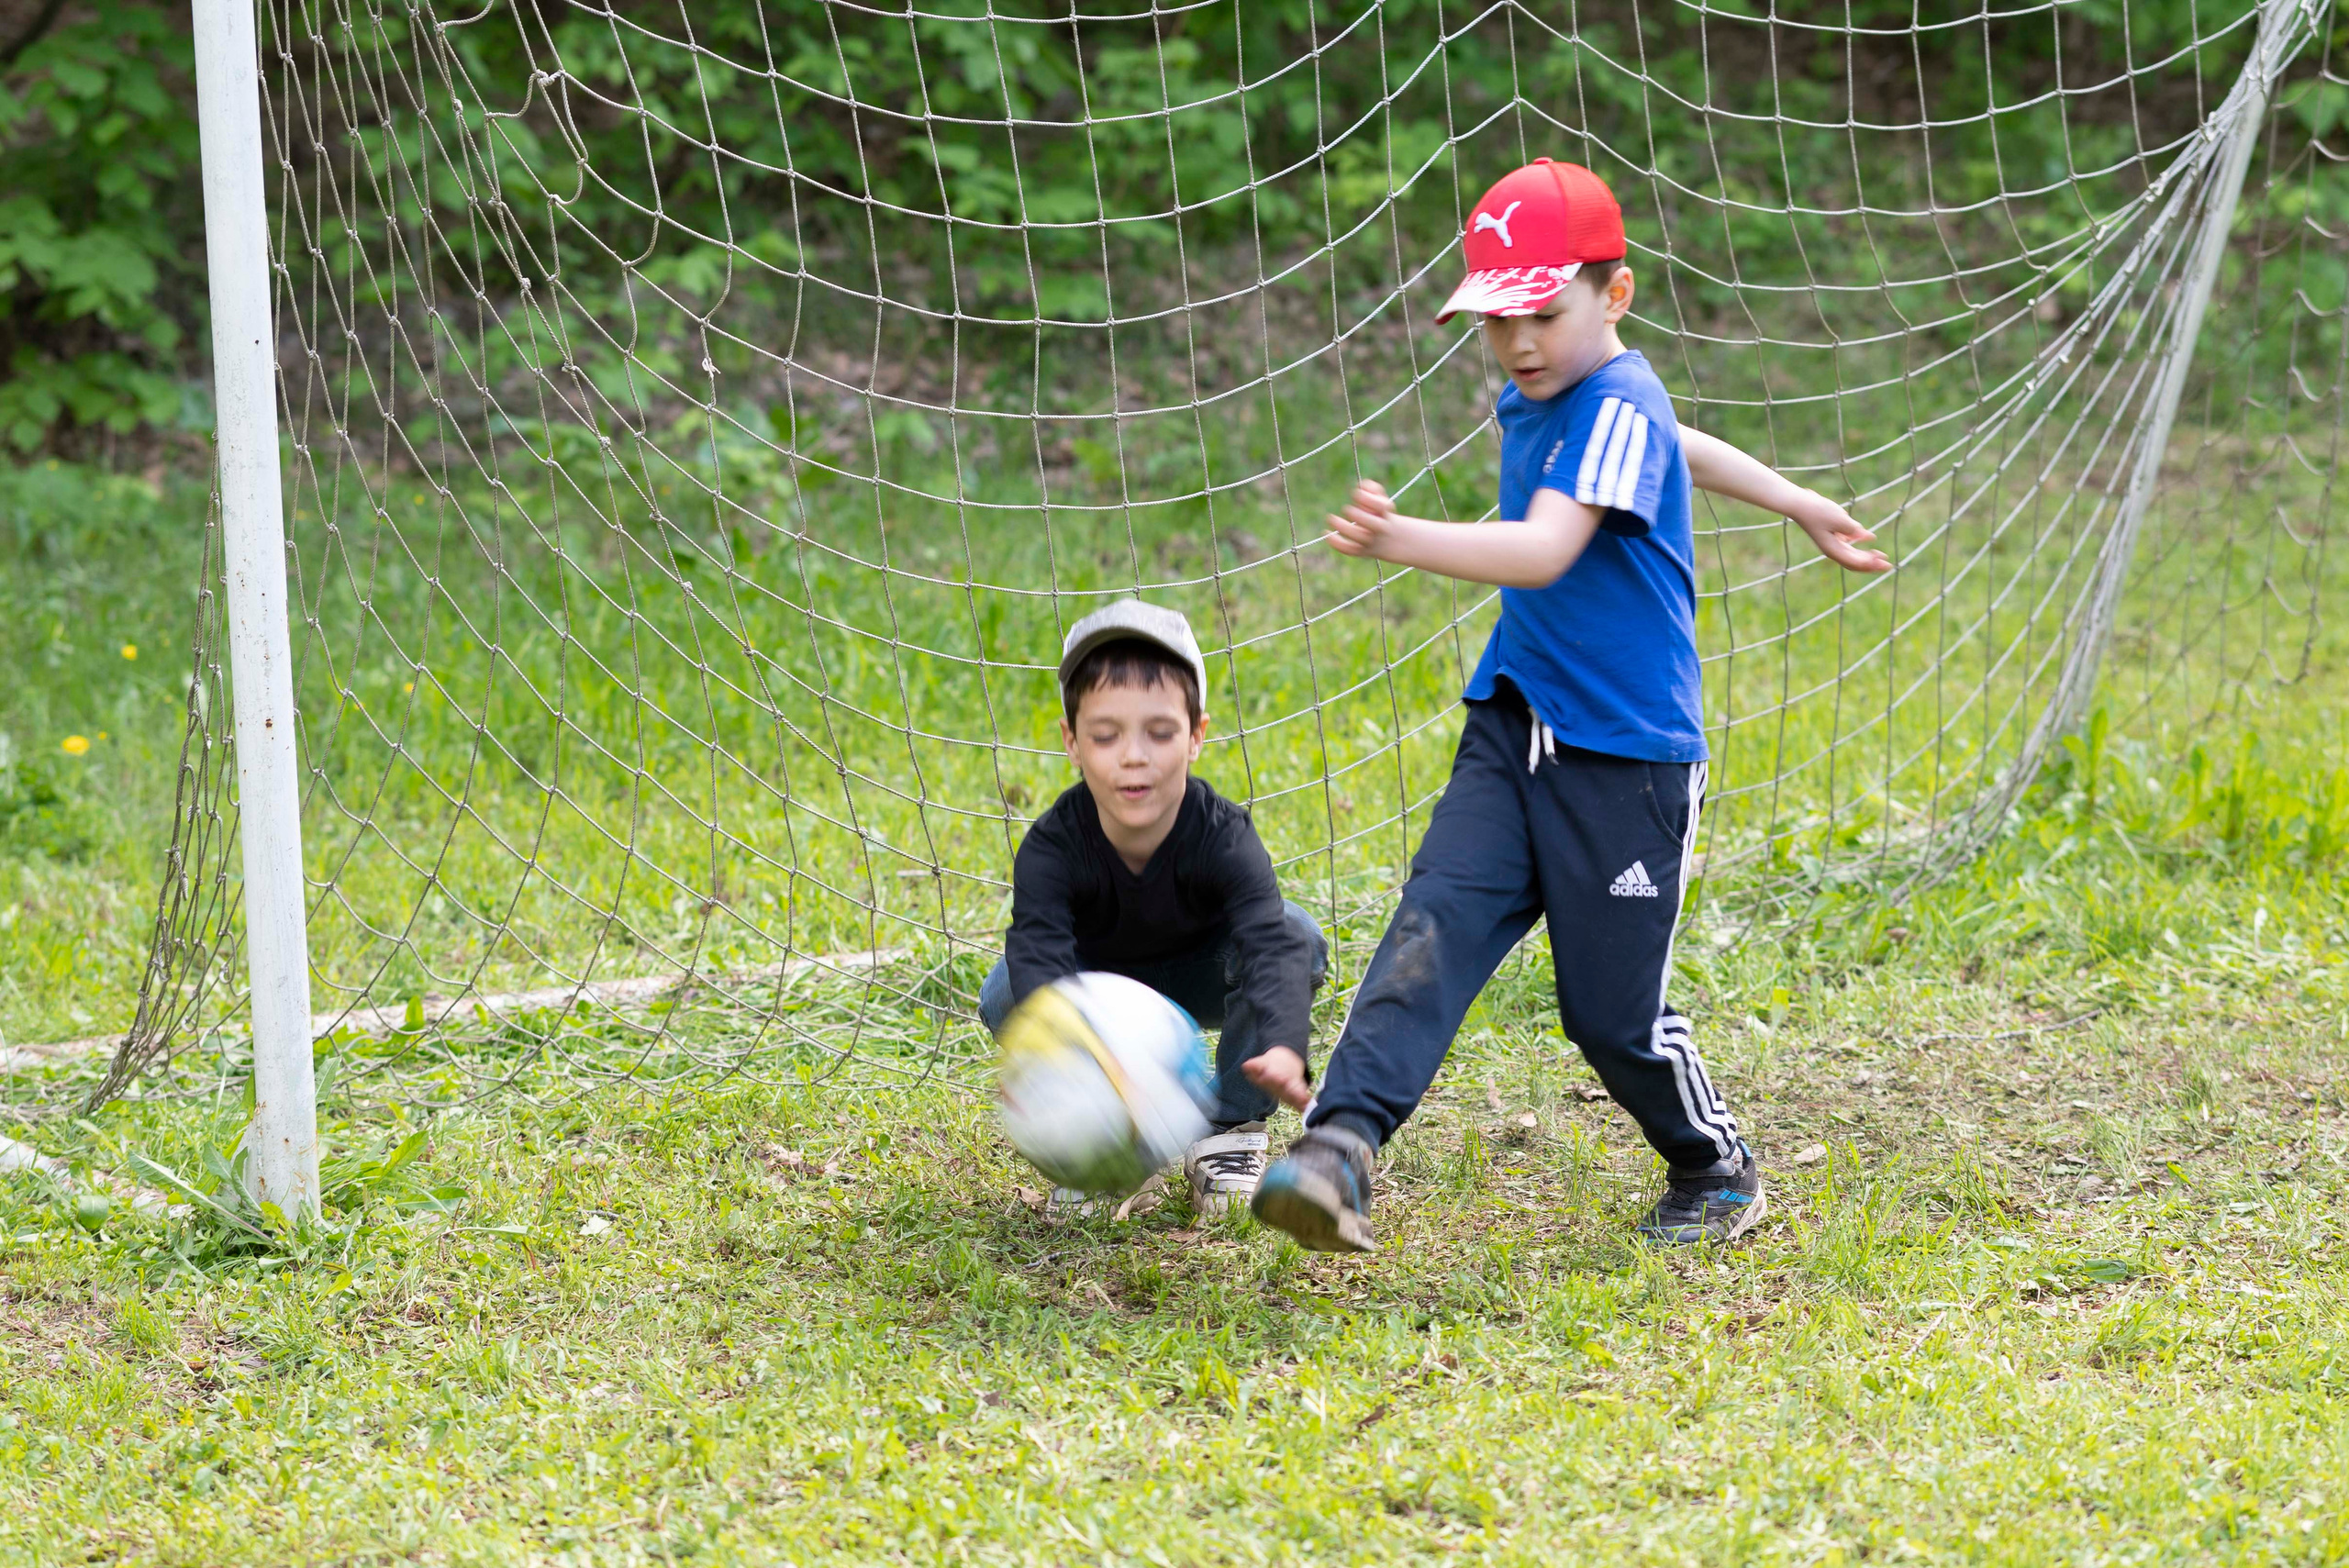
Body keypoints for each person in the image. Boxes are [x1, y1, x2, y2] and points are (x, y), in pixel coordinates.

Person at [1241, 159, 1892, 1253]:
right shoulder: (1549, 392)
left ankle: (1712, 1165)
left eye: (1542, 313)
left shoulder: (1618, 393)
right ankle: (1338, 1150)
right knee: (1431, 928)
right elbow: (1677, 441)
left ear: (1615, 295)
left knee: (1608, 1015)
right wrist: (1792, 496)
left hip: (1624, 763)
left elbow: (1544, 549)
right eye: (1498, 320)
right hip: (1514, 720)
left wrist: (1400, 540)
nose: (1518, 342)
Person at [980, 599, 1329, 1220]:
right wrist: (1047, 1057)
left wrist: (1281, 1042)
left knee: (1297, 933)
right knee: (1008, 992)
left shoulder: (1224, 834)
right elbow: (1038, 950)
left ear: (1196, 735)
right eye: (1106, 734)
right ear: (1072, 742)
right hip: (1097, 991)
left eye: (1160, 732)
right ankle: (1093, 1145)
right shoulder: (1052, 845)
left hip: (1203, 973)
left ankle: (1227, 1133)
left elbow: (1268, 941)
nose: (1133, 755)